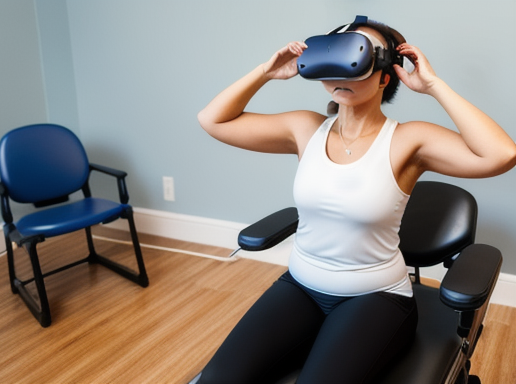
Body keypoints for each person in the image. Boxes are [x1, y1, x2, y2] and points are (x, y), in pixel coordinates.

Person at [195, 17, 516, 384]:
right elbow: (213, 120)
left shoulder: (409, 140)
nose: (343, 72)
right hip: (300, 287)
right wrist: (265, 72)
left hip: (376, 299)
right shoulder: (304, 128)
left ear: (384, 76)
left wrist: (434, 86)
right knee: (216, 378)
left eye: (358, 57)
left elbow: (502, 154)